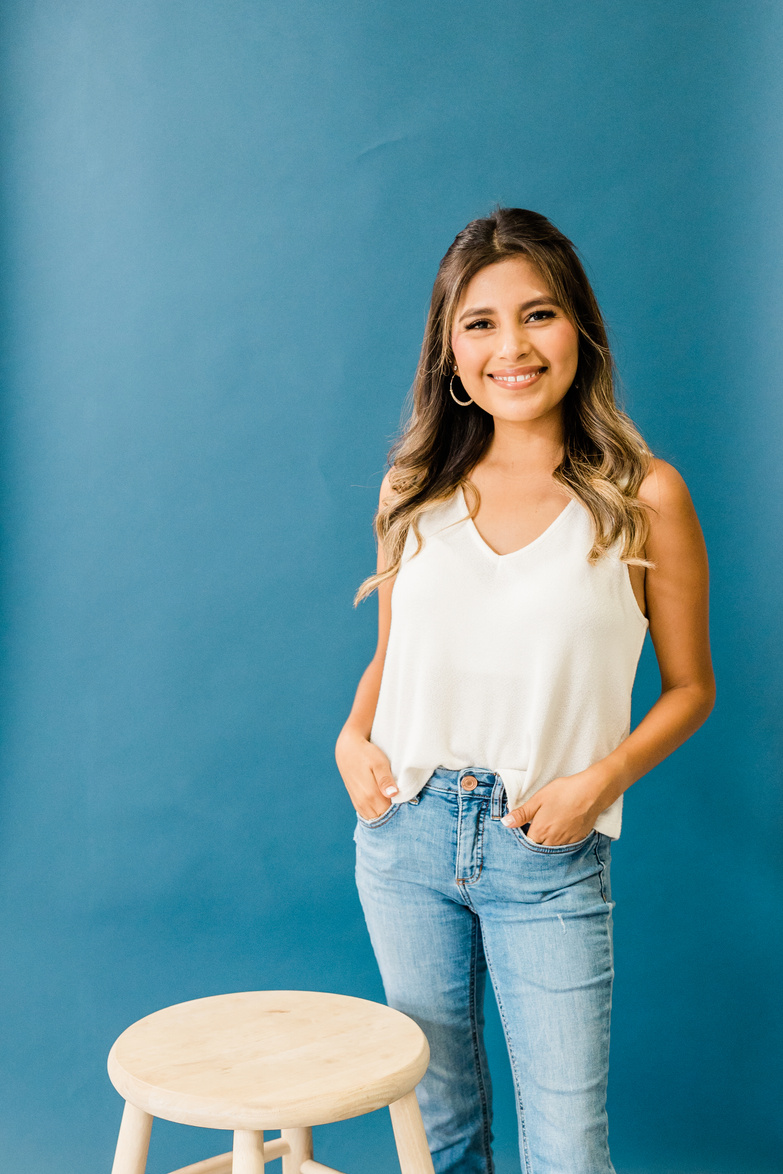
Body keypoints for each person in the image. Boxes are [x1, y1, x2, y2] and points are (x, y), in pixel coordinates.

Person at [334, 207, 715, 1174]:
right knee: (441, 1132)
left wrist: (596, 785)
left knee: (567, 1151)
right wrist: (350, 735)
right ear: (449, 351)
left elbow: (689, 688)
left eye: (537, 315)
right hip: (404, 837)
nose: (512, 346)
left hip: (545, 847)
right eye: (480, 323)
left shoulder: (642, 496)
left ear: (578, 332)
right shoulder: (409, 489)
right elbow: (392, 655)